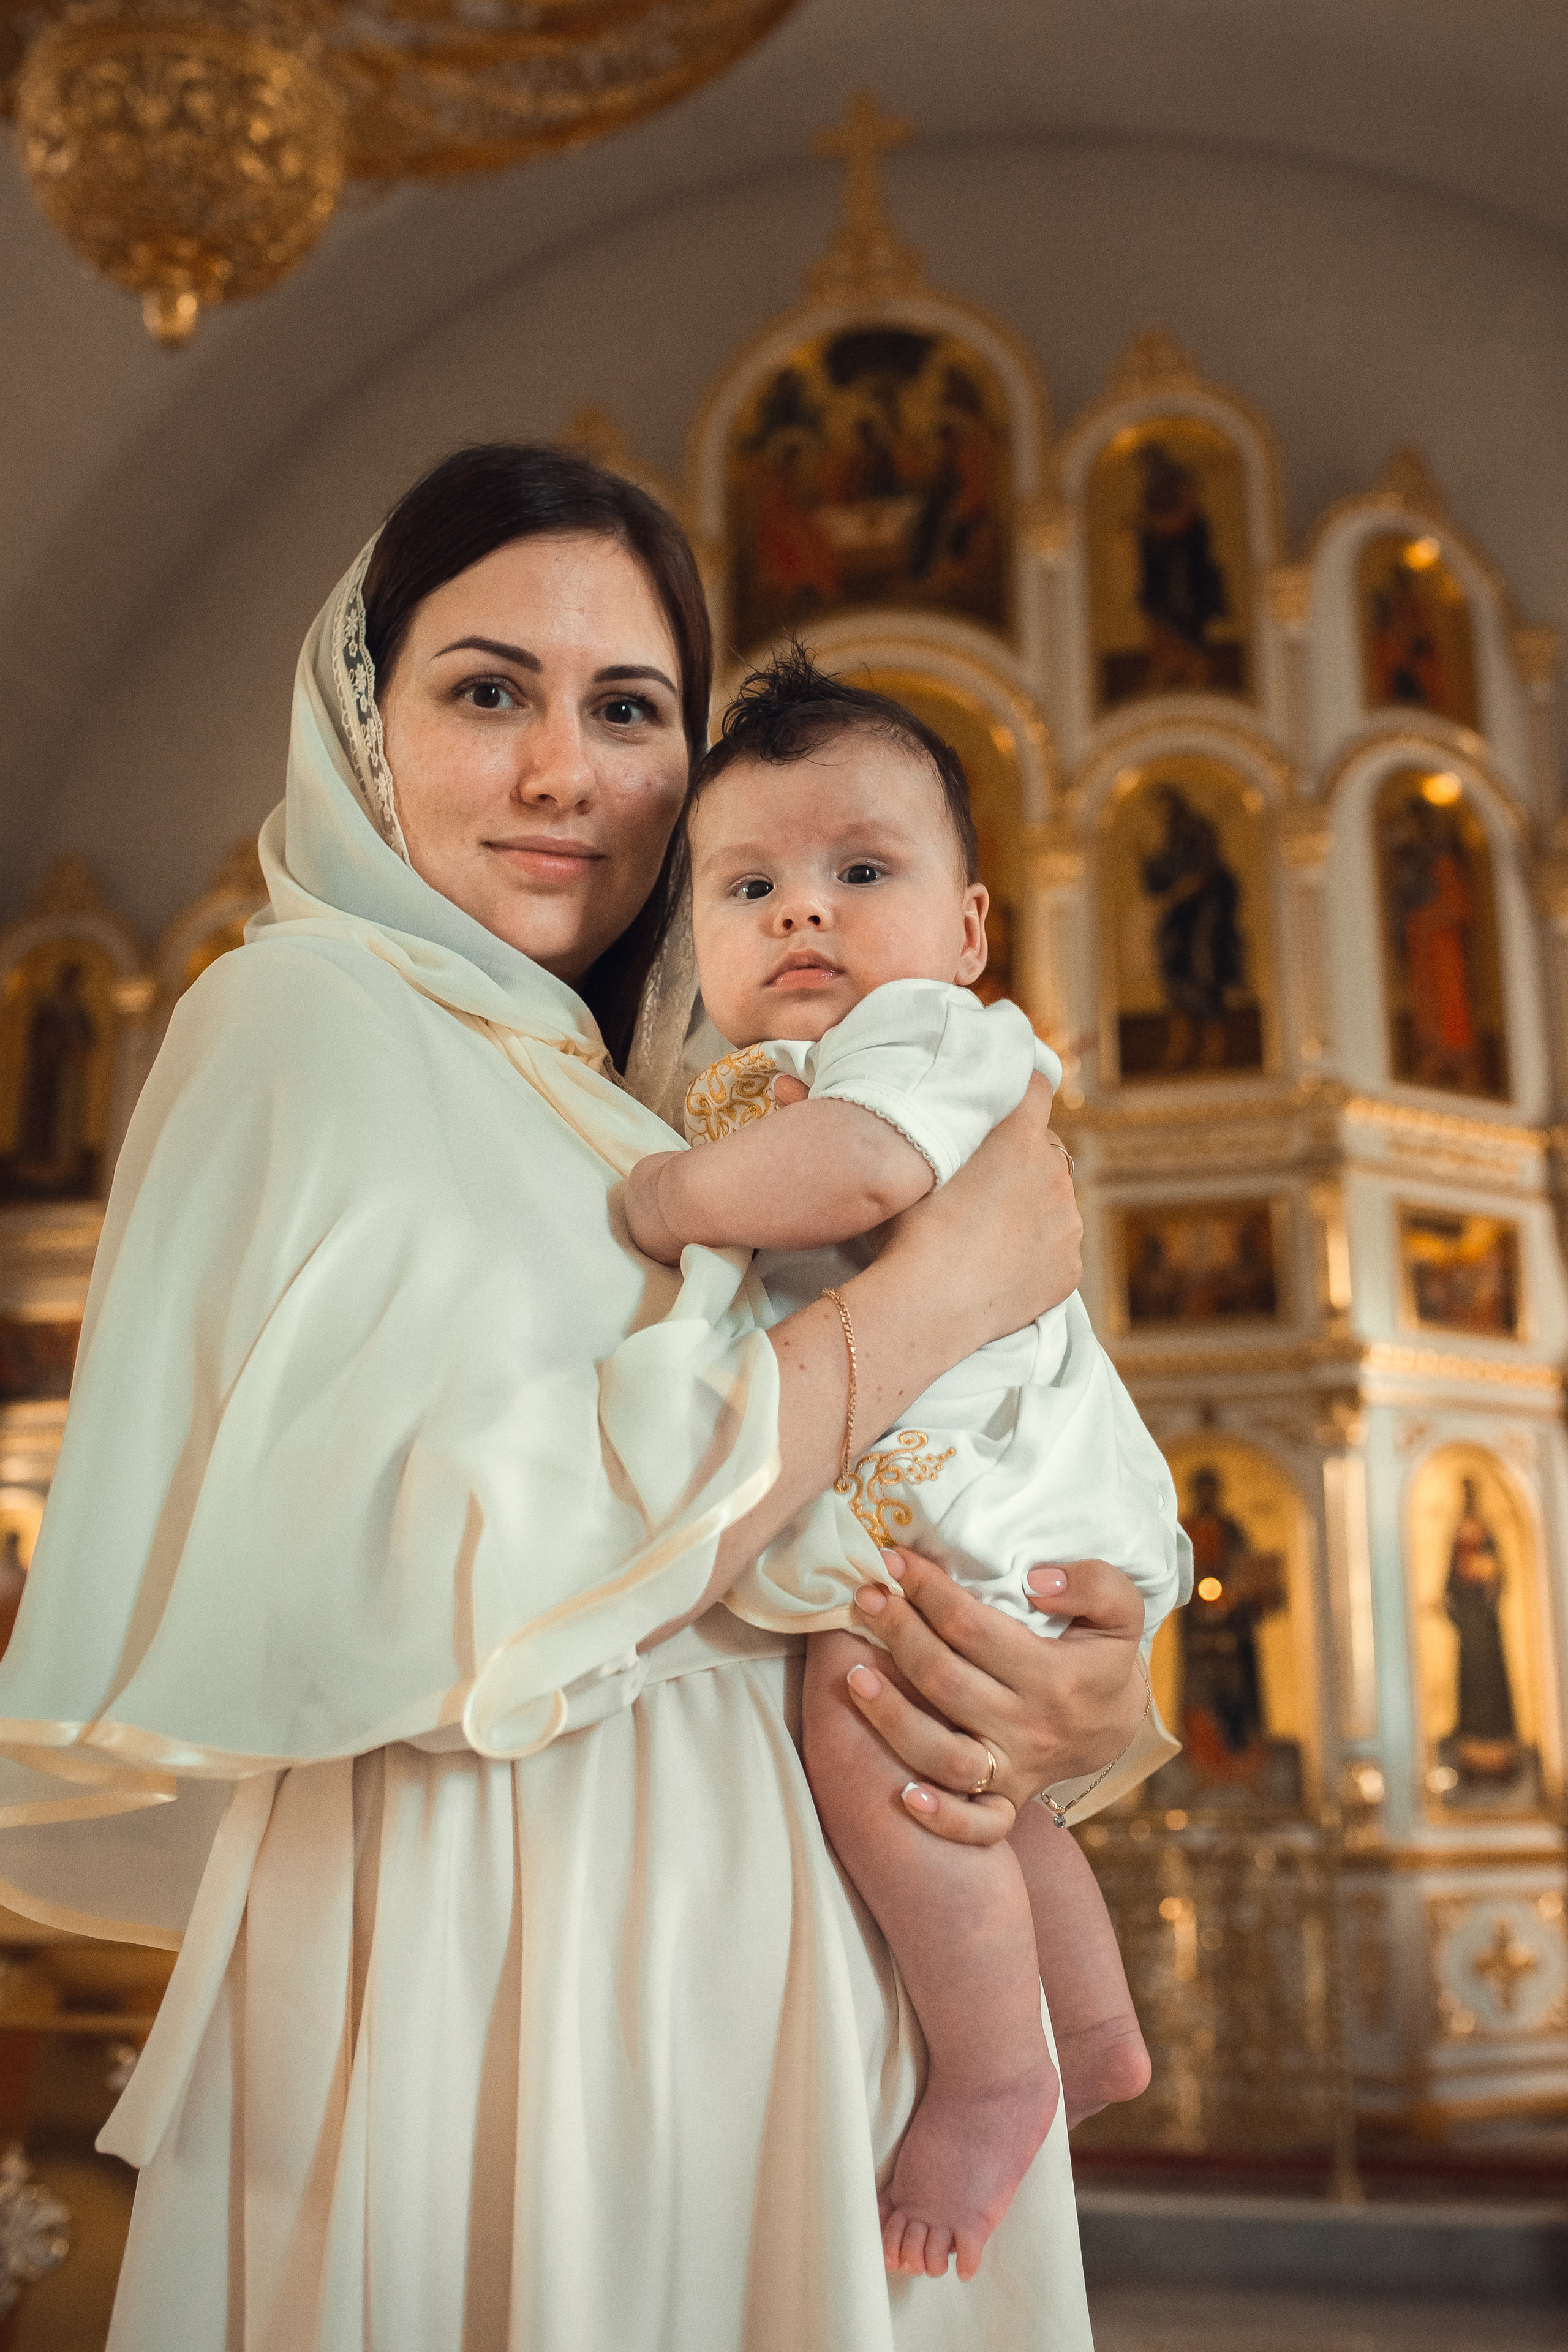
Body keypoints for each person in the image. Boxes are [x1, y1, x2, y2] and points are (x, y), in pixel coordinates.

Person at [0, 444, 1154, 2352]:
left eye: (627, 710)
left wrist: (1070, 1701)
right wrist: (936, 1299)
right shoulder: (304, 1015)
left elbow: (869, 1504)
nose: (564, 772)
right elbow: (426, 1554)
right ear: (364, 729)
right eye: (486, 693)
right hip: (507, 1955)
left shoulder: (654, 1109)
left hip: (793, 1963)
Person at [625, 649, 1186, 2280]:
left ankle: (996, 2070)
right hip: (968, 1477)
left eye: (861, 871)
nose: (803, 909)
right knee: (978, 1786)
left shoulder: (925, 1041)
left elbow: (860, 1174)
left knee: (865, 1727)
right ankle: (1089, 2024)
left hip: (977, 1482)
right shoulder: (797, 1068)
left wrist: (664, 1197)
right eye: (750, 887)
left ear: (969, 929)